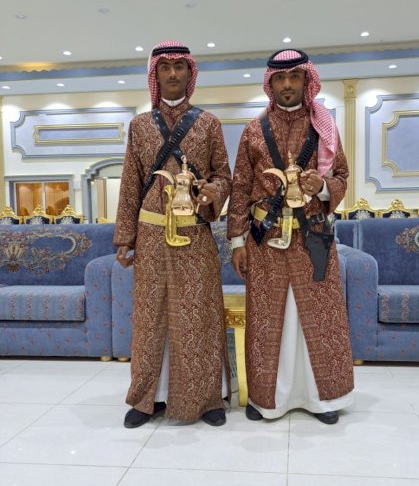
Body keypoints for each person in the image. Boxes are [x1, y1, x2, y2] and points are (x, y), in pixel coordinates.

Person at [227, 49, 354, 424]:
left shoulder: (323, 127)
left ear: (306, 80)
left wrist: (323, 186)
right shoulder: (253, 131)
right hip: (265, 240)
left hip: (314, 237)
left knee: (319, 317)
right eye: (280, 78)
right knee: (268, 318)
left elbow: (342, 176)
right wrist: (237, 242)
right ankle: (267, 399)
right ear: (270, 83)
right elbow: (240, 187)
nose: (287, 84)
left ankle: (322, 400)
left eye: (294, 77)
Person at [114, 40, 232, 428]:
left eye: (180, 66)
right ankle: (147, 399)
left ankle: (207, 398)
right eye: (165, 67)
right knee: (151, 318)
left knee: (199, 316)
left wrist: (213, 191)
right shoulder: (139, 126)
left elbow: (224, 176)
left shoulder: (209, 123)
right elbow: (130, 184)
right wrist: (124, 237)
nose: (172, 74)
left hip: (195, 234)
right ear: (155, 75)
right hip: (150, 236)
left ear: (190, 73)